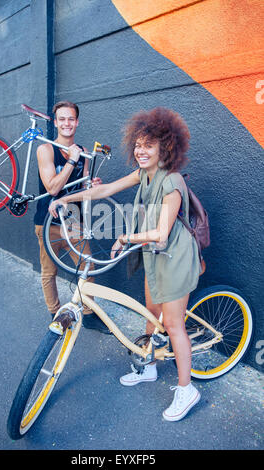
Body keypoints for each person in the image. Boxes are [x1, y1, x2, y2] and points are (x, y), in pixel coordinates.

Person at [49, 107, 201, 421]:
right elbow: (105, 189)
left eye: (149, 145)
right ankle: (149, 368)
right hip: (154, 254)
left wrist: (126, 238)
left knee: (173, 326)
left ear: (164, 148)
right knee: (151, 316)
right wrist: (67, 198)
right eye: (138, 145)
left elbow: (161, 233)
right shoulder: (144, 174)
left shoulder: (172, 182)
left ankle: (187, 390)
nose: (141, 151)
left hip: (175, 258)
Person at [34, 100, 110, 334]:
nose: (67, 123)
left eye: (71, 119)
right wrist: (71, 160)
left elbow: (83, 191)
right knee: (49, 272)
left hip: (74, 222)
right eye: (62, 119)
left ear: (77, 122)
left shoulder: (84, 152)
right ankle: (55, 314)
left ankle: (88, 315)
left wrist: (93, 186)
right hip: (48, 225)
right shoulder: (45, 149)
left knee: (88, 266)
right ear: (56, 123)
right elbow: (53, 188)